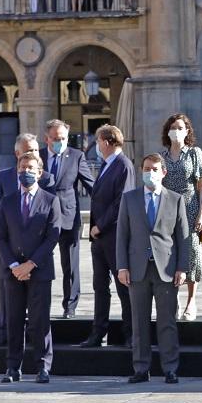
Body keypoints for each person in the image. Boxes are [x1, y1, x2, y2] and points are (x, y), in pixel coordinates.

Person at [118, 154, 189, 384]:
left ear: (164, 172)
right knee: (139, 321)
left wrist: (182, 267)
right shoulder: (129, 199)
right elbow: (122, 236)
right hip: (137, 268)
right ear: (141, 170)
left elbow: (183, 238)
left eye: (155, 168)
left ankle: (170, 367)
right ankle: (141, 367)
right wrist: (122, 266)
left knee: (167, 321)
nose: (151, 172)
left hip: (166, 268)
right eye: (147, 168)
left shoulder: (175, 199)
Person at [0, 152, 59, 383]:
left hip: (39, 270)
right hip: (12, 272)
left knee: (39, 320)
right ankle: (13, 367)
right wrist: (14, 265)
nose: (26, 172)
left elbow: (53, 237)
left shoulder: (50, 201)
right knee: (14, 319)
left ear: (40, 173)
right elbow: (0, 238)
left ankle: (43, 366)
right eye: (22, 168)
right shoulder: (8, 200)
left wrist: (30, 264)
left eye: (31, 168)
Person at [0, 133, 43, 347]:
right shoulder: (5, 176)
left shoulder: (44, 177)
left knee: (37, 293)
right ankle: (4, 331)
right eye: (28, 150)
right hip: (9, 245)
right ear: (17, 153)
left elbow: (47, 210)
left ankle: (33, 333)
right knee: (7, 289)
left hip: (36, 247)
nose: (32, 154)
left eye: (35, 150)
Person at [83, 125, 134, 348]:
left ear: (107, 142)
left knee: (124, 287)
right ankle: (98, 332)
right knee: (100, 286)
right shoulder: (107, 164)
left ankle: (131, 333)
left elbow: (121, 202)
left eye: (97, 141)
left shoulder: (123, 165)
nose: (96, 145)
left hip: (114, 236)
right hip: (100, 238)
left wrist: (99, 226)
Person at [39, 119, 94, 319]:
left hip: (68, 216)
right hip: (42, 217)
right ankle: (37, 305)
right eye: (55, 138)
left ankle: (70, 306)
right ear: (47, 139)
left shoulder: (76, 156)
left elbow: (91, 186)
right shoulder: (39, 156)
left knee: (70, 264)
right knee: (38, 262)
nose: (59, 142)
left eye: (63, 138)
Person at [161, 113, 202, 320]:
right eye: (173, 127)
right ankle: (174, 299)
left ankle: (191, 301)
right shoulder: (161, 157)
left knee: (191, 252)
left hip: (190, 207)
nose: (176, 131)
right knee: (168, 253)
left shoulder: (194, 153)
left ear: (187, 131)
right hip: (167, 208)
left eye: (180, 128)